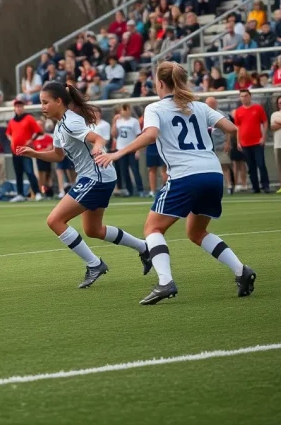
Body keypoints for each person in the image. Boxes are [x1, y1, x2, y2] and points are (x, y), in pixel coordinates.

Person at [95, 61, 256, 305]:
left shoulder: (155, 108)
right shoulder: (200, 106)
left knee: (152, 229)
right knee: (196, 232)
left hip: (185, 174)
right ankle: (241, 271)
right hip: (213, 174)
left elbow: (150, 135)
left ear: (159, 83)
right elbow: (232, 127)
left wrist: (118, 153)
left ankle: (165, 282)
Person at [17, 82, 151, 288]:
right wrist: (34, 153)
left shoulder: (70, 122)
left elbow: (98, 138)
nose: (42, 107)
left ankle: (94, 264)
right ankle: (144, 248)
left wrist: (98, 148)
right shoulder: (60, 124)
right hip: (96, 177)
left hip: (96, 177)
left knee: (55, 220)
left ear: (59, 101)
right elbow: (58, 155)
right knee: (93, 229)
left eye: (45, 102)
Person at [233, 90, 270, 194]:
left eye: (246, 95)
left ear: (250, 96)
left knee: (261, 164)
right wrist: (238, 142)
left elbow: (265, 122)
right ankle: (255, 187)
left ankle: (265, 186)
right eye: (242, 96)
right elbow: (237, 127)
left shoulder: (258, 108)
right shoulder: (238, 111)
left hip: (257, 142)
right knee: (251, 167)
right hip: (245, 143)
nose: (244, 98)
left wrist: (264, 137)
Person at [6, 99, 42, 202]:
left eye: (20, 106)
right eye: (17, 106)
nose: (18, 108)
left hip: (26, 151)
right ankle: (20, 194)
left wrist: (31, 140)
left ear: (23, 107)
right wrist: (11, 140)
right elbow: (8, 133)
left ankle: (37, 192)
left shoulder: (29, 118)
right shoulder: (12, 121)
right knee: (18, 173)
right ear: (14, 108)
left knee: (30, 172)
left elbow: (37, 131)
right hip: (15, 151)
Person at [113, 104, 144, 197]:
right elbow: (114, 134)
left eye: (127, 110)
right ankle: (129, 190)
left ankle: (140, 190)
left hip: (132, 149)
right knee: (124, 171)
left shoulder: (134, 121)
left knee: (135, 170)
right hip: (121, 149)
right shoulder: (118, 121)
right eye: (123, 110)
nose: (125, 112)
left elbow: (138, 136)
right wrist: (114, 122)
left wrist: (138, 150)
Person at [32, 119, 54, 197]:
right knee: (40, 176)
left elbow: (50, 148)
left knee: (48, 175)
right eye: (38, 125)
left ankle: (48, 192)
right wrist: (43, 150)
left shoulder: (48, 137)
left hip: (47, 159)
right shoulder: (34, 139)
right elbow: (34, 149)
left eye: (41, 125)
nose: (40, 127)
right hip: (38, 160)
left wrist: (41, 151)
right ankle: (41, 191)